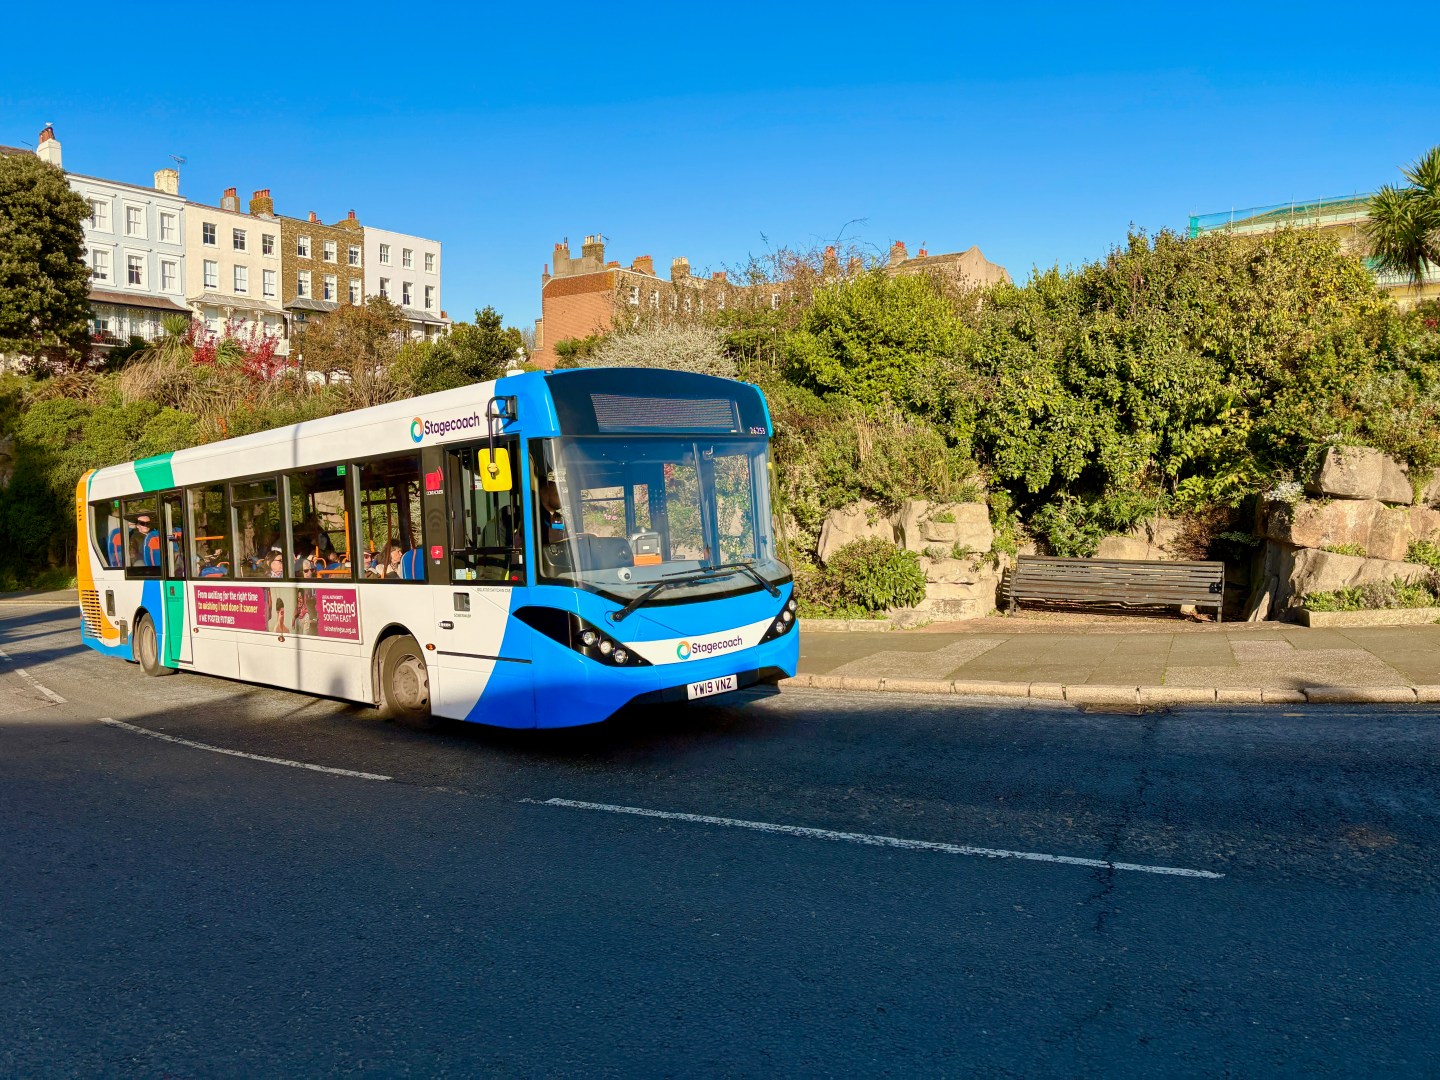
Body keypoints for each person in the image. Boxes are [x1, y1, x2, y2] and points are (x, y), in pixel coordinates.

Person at [539, 478, 566, 546]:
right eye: (557, 494)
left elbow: (561, 537)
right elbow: (553, 540)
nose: (562, 497)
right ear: (545, 496)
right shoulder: (536, 517)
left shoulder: (557, 517)